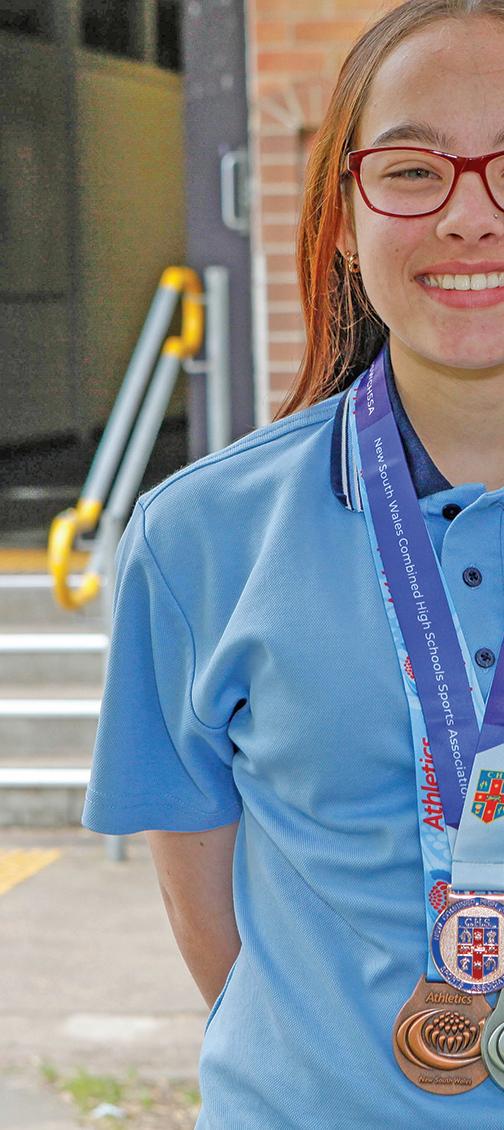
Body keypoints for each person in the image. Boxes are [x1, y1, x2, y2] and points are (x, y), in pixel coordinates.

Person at [81, 0, 504, 1124]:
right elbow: (205, 906)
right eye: (412, 172)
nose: (471, 215)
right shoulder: (198, 538)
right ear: (341, 223)